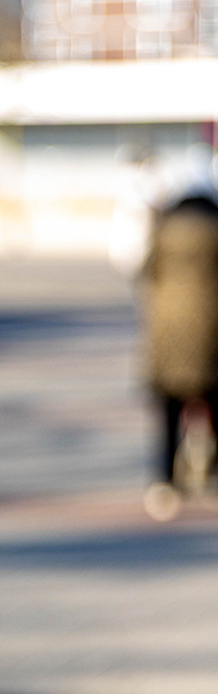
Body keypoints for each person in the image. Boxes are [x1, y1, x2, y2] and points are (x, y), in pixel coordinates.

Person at [140, 172, 218, 520]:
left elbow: (146, 273)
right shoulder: (216, 232)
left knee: (169, 411)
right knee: (213, 404)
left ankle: (165, 484)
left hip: (168, 334)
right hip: (211, 334)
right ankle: (212, 472)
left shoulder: (162, 231)